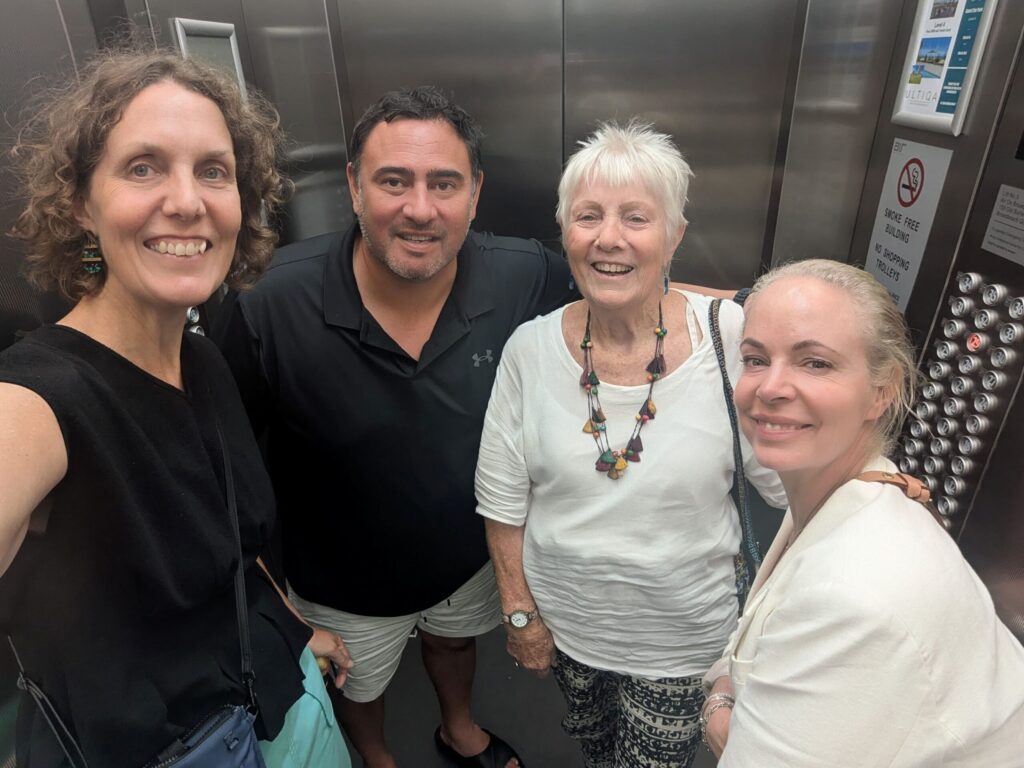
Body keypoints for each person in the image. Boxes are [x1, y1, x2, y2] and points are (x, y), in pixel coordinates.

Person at [0, 50, 352, 767]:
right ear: (79, 202)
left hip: (283, 698)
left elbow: (231, 541)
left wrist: (291, 629)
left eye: (213, 170)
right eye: (142, 167)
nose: (187, 200)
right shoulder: (40, 400)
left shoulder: (200, 355)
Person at [213, 85, 569, 768]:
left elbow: (624, 294)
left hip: (468, 556)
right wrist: (275, 605)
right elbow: (222, 467)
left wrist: (748, 318)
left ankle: (458, 728)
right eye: (393, 181)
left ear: (475, 191)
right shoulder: (269, 305)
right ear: (352, 186)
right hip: (344, 582)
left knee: (455, 641)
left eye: (444, 183)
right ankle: (377, 758)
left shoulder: (522, 275)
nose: (420, 209)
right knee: (360, 681)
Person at [474, 121, 787, 768]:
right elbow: (502, 496)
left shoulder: (731, 338)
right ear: (566, 232)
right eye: (588, 216)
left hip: (682, 643)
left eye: (636, 218)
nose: (609, 238)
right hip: (568, 629)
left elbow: (794, 475)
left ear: (673, 235)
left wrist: (866, 477)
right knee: (594, 747)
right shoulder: (529, 351)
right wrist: (520, 615)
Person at [702, 259, 1024, 766]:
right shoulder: (842, 491)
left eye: (816, 363)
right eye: (756, 358)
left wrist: (719, 711)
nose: (770, 387)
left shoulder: (855, 597)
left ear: (882, 390)